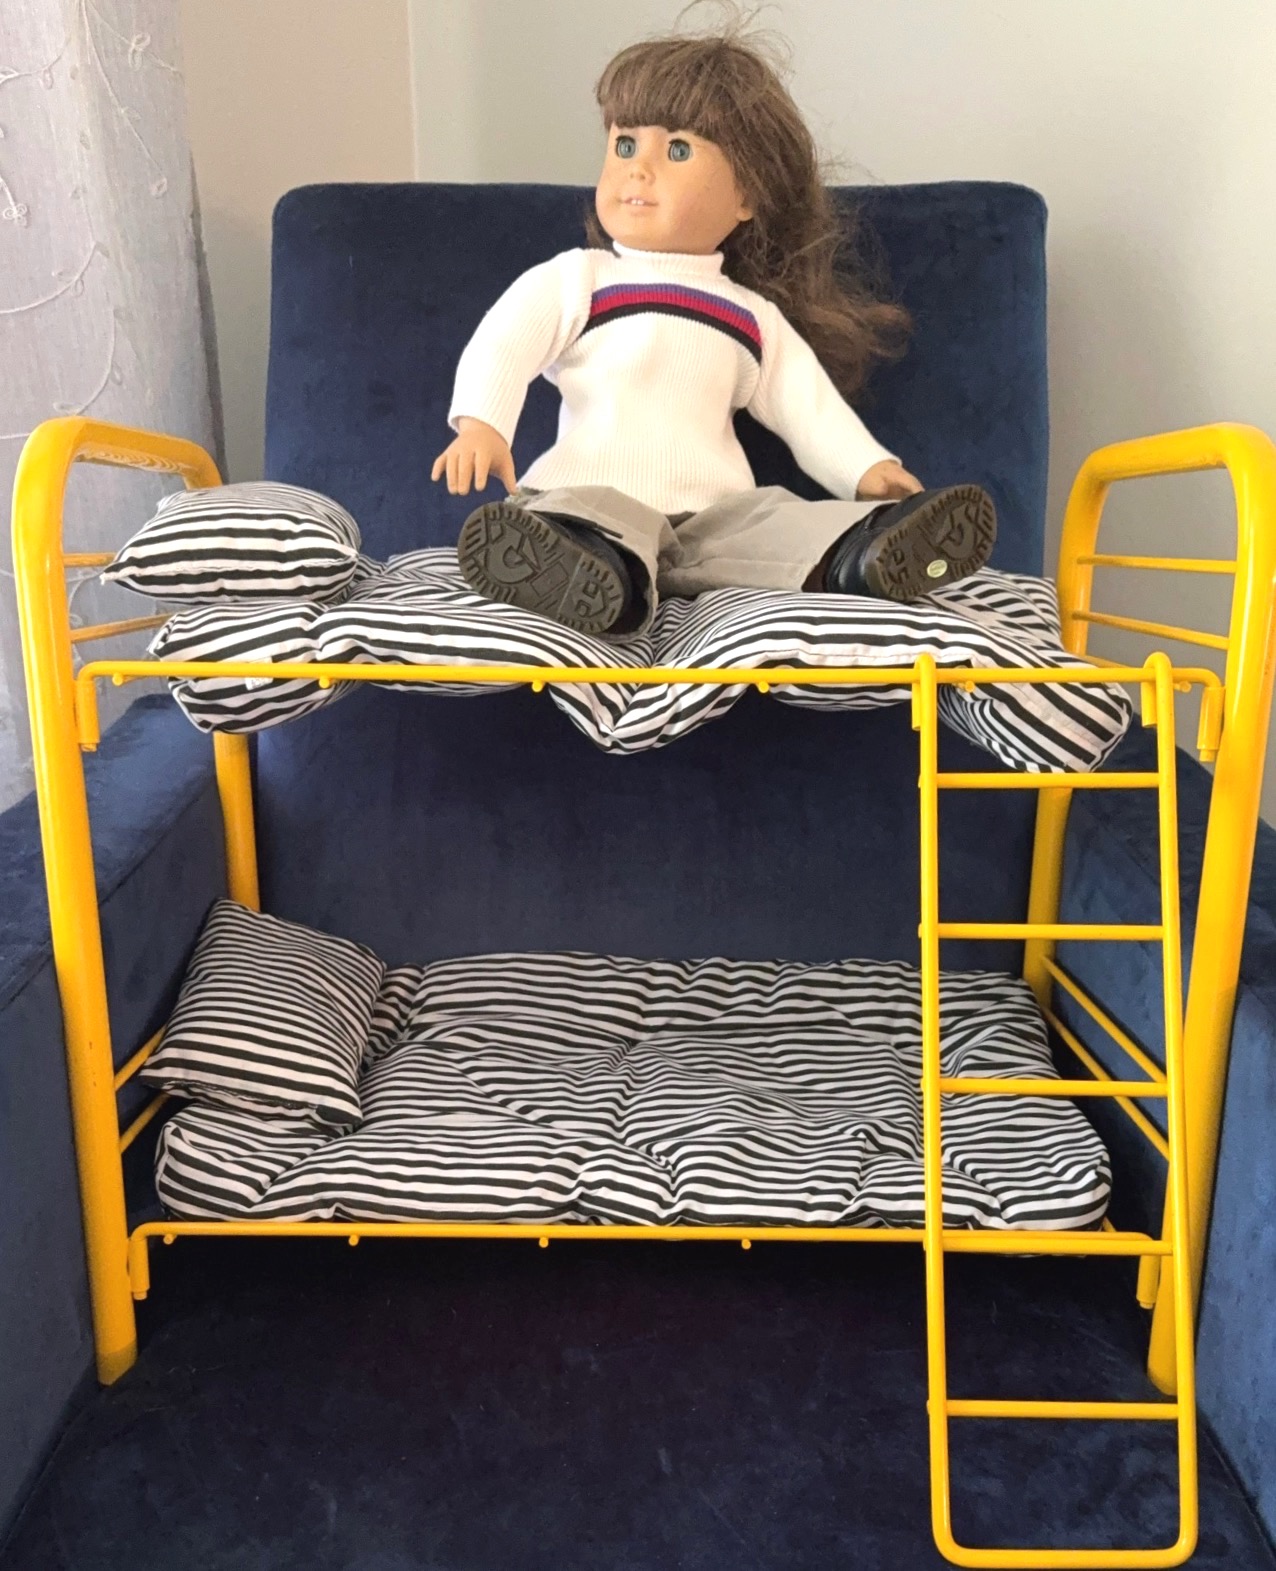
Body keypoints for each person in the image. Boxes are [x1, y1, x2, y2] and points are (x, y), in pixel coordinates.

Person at [431, 14, 996, 639]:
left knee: (779, 519)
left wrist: (869, 471)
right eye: (625, 145)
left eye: (676, 150)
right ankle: (591, 576)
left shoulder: (749, 315)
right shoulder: (580, 279)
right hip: (593, 494)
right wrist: (482, 424)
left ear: (747, 196)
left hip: (713, 519)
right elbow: (505, 342)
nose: (638, 169)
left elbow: (806, 408)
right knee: (584, 517)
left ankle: (863, 552)